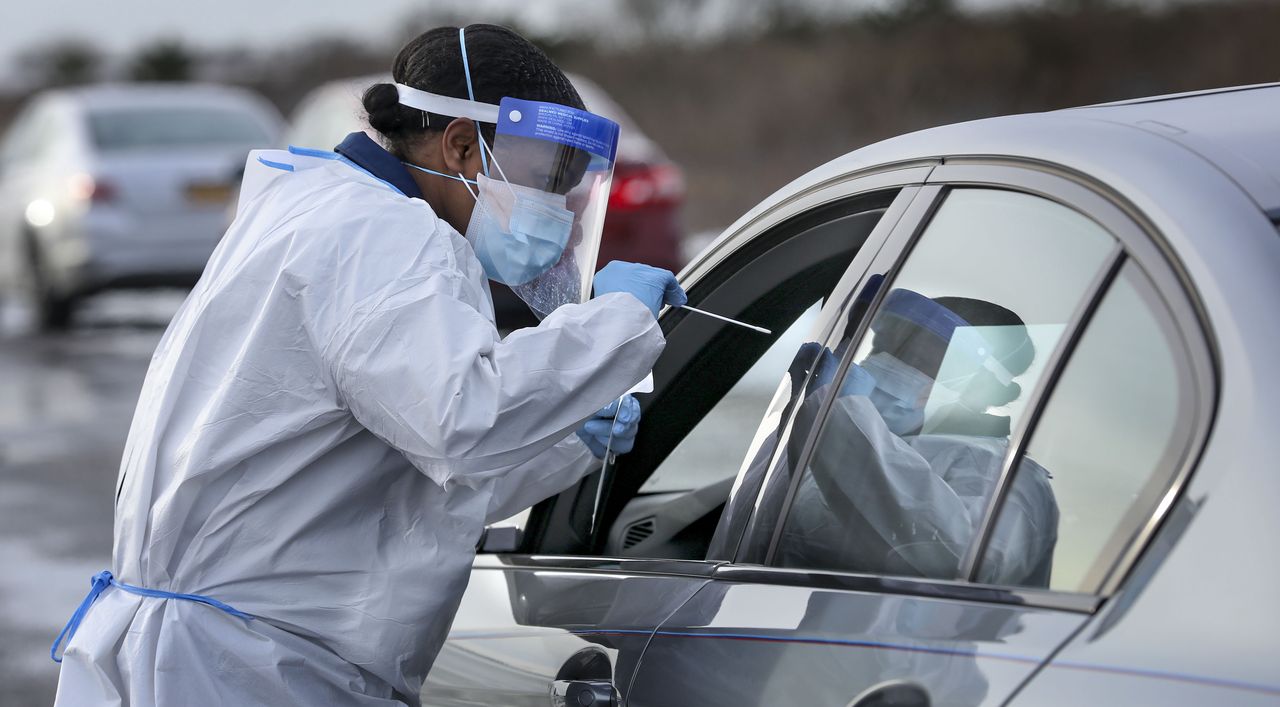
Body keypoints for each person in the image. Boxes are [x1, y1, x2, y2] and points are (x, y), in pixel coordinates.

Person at [51, 25, 685, 707]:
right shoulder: (386, 238)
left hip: (221, 650)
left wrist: (563, 440)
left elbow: (393, 470)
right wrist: (615, 320)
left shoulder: (326, 208)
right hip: (248, 667)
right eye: (539, 181)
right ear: (464, 147)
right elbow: (461, 419)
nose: (556, 213)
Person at [774, 289, 1059, 587]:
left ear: (981, 387)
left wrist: (842, 418)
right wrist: (799, 420)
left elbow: (954, 563)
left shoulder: (1013, 480)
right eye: (886, 345)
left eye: (919, 358)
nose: (887, 362)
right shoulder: (843, 436)